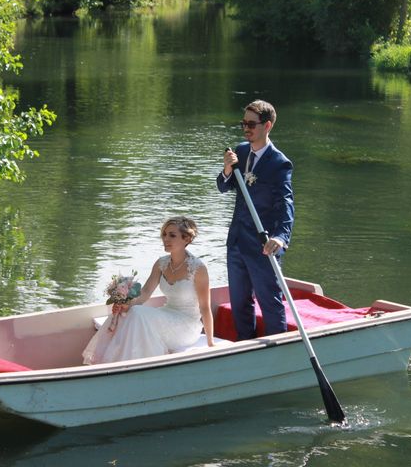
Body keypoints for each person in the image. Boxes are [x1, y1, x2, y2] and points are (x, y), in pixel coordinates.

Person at [82, 216, 214, 365]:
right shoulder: (161, 263)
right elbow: (144, 293)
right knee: (130, 312)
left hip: (186, 326)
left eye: (172, 235)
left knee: (138, 313)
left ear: (186, 239)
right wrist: (126, 304)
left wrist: (210, 343)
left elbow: (205, 307)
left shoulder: (198, 268)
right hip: (167, 313)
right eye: (164, 234)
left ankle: (127, 365)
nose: (166, 239)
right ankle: (116, 364)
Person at [216, 100, 294, 340]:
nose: (246, 128)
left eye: (251, 124)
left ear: (267, 125)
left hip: (263, 245)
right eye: (243, 123)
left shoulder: (279, 163)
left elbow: (286, 204)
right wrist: (227, 170)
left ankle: (278, 352)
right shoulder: (239, 151)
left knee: (269, 302)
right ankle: (245, 346)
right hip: (237, 240)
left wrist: (280, 238)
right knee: (239, 302)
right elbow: (222, 186)